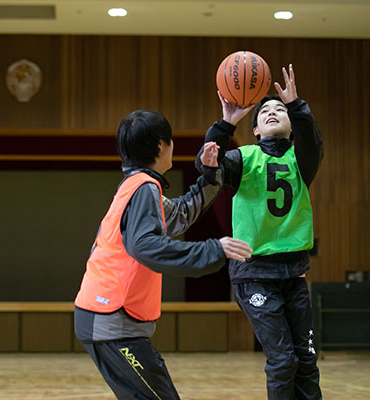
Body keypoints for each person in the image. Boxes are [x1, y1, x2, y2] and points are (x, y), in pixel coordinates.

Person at [74, 109, 252, 400]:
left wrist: (210, 173)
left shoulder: (138, 186)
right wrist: (213, 249)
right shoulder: (143, 188)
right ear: (161, 145)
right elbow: (144, 246)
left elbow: (182, 213)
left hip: (105, 319)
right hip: (111, 321)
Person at [197, 64, 324, 399]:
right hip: (254, 273)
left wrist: (297, 106)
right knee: (283, 361)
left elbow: (312, 140)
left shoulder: (301, 160)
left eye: (279, 110)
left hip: (293, 271)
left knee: (306, 360)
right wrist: (226, 123)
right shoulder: (242, 159)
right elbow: (208, 165)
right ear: (254, 130)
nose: (272, 112)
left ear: (290, 124)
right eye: (264, 110)